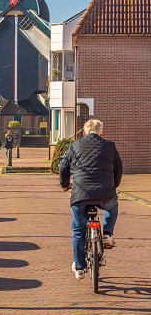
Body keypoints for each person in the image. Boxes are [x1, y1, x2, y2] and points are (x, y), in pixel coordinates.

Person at [59, 119, 122, 280]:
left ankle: (79, 268)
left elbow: (63, 167)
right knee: (112, 206)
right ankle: (107, 233)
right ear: (101, 133)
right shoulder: (110, 146)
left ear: (85, 132)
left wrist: (65, 185)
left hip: (80, 194)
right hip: (105, 193)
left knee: (79, 230)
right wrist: (113, 186)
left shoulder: (74, 146)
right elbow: (119, 168)